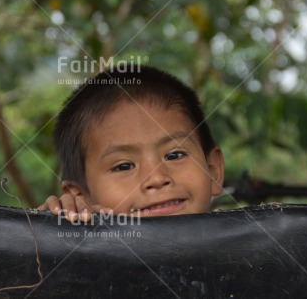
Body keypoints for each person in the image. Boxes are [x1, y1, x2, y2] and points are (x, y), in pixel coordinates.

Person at [37, 65, 224, 222]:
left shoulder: (248, 252)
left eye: (174, 155)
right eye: (124, 166)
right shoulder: (67, 255)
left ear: (212, 169)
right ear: (79, 195)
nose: (157, 179)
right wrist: (47, 228)